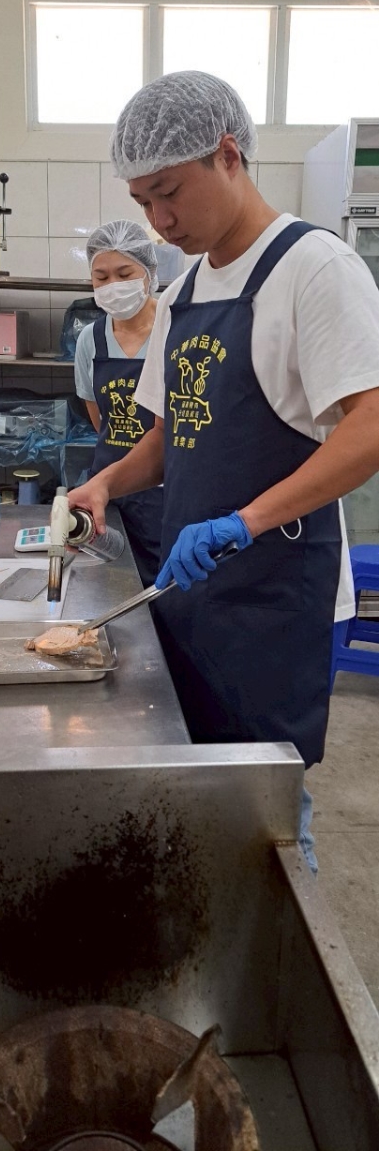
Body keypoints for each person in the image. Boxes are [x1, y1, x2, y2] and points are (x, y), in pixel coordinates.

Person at [68, 71, 379, 872]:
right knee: (204, 792)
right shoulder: (183, 293)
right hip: (194, 590)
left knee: (267, 817)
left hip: (278, 598)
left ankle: (286, 947)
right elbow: (169, 436)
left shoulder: (314, 268)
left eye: (169, 192)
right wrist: (105, 483)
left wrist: (245, 521)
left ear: (229, 155)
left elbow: (370, 425)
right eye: (142, 201)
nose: (159, 220)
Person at [74, 219, 163, 586]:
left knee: (163, 588)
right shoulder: (90, 340)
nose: (113, 285)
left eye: (125, 274)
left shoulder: (175, 329)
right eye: (102, 277)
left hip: (165, 493)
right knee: (110, 583)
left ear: (150, 273)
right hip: (107, 494)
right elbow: (98, 417)